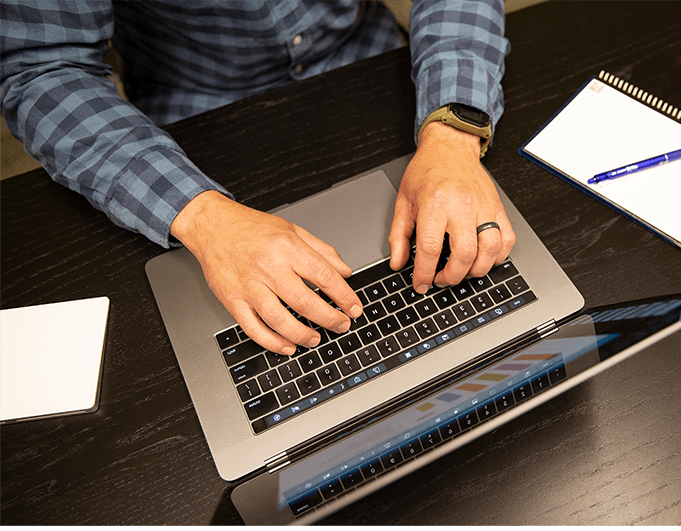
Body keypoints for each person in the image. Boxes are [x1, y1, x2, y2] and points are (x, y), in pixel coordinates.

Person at [2, 0, 516, 356]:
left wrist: (453, 131)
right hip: (192, 124)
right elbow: (43, 67)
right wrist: (200, 215)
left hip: (379, 72)